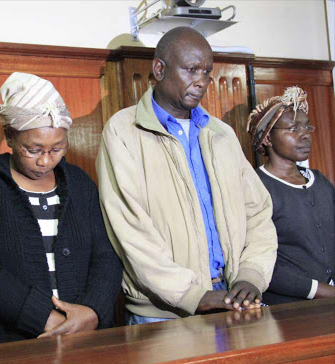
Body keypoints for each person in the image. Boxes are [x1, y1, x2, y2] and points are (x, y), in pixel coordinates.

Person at [96, 26, 277, 324]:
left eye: (207, 72)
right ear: (159, 69)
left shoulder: (221, 134)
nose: (202, 81)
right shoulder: (123, 131)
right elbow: (129, 230)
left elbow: (258, 214)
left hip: (231, 299)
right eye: (192, 70)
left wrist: (252, 276)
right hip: (161, 313)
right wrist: (193, 295)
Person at [0, 73, 122, 346]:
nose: (45, 161)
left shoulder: (78, 182)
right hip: (7, 344)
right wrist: (46, 318)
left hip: (85, 338)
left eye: (57, 149)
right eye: (34, 149)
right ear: (9, 137)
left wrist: (93, 310)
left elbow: (106, 253)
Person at [247, 86, 335, 304]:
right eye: (293, 128)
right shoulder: (255, 187)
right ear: (267, 138)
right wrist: (320, 290)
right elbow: (256, 262)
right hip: (285, 308)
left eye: (307, 127)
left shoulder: (320, 181)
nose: (304, 135)